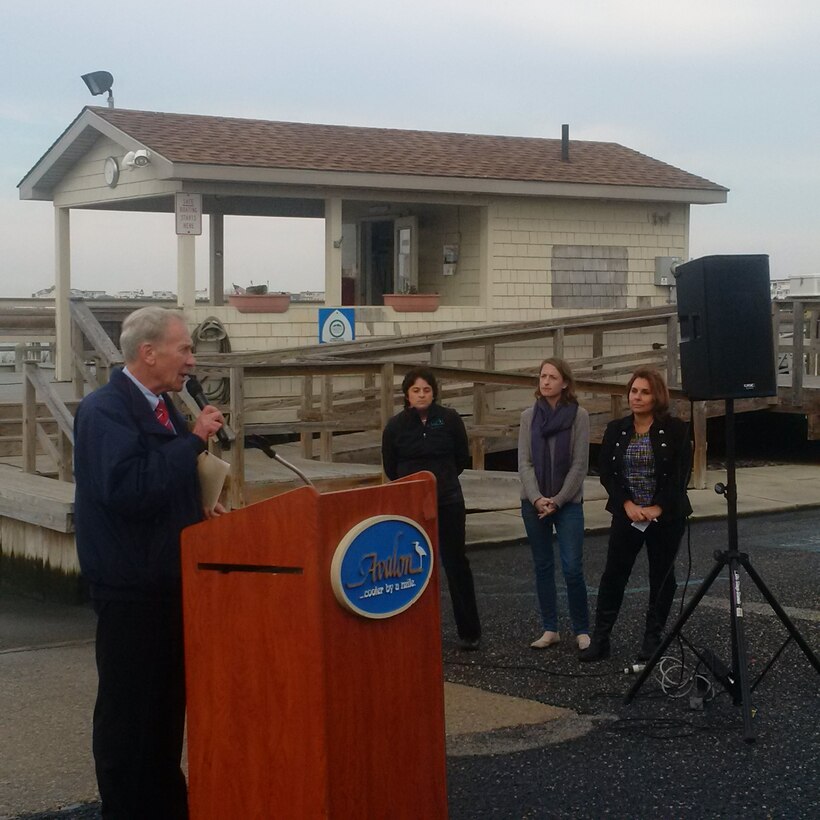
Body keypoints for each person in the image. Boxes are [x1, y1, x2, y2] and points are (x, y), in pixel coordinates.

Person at [74, 306, 225, 819]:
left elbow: (160, 482)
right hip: (132, 593)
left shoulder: (164, 406)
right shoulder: (105, 411)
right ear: (149, 352)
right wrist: (194, 442)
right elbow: (129, 490)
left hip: (171, 585)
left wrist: (198, 503)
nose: (192, 360)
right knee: (128, 721)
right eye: (184, 349)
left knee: (163, 719)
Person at [581, 367, 692, 663]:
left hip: (664, 517)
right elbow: (607, 472)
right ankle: (601, 638)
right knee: (614, 575)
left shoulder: (676, 430)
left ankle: (652, 638)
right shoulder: (617, 429)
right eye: (634, 391)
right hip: (627, 513)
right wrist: (626, 504)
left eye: (644, 392)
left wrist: (658, 507)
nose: (637, 397)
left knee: (662, 577)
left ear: (657, 396)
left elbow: (680, 476)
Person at [381, 367, 482, 650]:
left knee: (456, 562)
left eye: (426, 390)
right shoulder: (395, 426)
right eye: (416, 390)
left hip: (448, 500)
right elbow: (391, 466)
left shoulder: (449, 420)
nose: (422, 395)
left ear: (434, 392)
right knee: (411, 565)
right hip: (411, 504)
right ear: (406, 395)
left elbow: (461, 457)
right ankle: (414, 630)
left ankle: (469, 632)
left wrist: (442, 480)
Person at [518, 358, 591, 651]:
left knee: (572, 566)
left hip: (568, 502)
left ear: (565, 383)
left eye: (552, 376)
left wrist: (558, 501)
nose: (545, 381)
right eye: (542, 376)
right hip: (533, 502)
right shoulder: (528, 416)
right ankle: (550, 628)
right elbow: (524, 463)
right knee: (543, 565)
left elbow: (580, 464)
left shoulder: (579, 416)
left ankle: (582, 629)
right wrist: (537, 498)